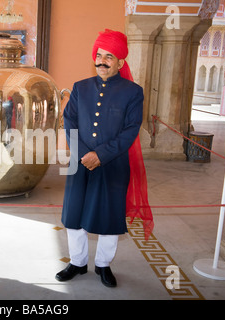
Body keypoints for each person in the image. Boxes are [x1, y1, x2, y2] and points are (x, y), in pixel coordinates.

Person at [56, 29, 153, 287]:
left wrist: (100, 155)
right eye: (99, 55)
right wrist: (82, 153)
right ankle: (77, 262)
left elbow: (130, 130)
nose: (102, 61)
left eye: (109, 56)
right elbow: (70, 120)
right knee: (74, 215)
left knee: (109, 217)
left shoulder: (133, 92)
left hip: (113, 164)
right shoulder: (80, 88)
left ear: (120, 62)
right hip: (80, 164)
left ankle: (103, 265)